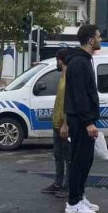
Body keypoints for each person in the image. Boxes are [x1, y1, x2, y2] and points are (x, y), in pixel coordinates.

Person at [62, 25, 102, 213]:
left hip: (83, 119)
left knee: (86, 160)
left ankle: (79, 196)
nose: (101, 39)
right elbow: (79, 95)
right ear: (91, 40)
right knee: (79, 161)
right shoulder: (79, 62)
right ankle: (73, 203)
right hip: (80, 120)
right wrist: (88, 122)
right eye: (99, 36)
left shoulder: (84, 60)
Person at [40, 49, 71, 198]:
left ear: (60, 60)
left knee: (68, 157)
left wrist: (66, 124)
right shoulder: (62, 77)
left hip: (64, 125)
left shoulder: (70, 78)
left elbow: (69, 103)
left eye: (56, 60)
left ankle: (68, 186)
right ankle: (58, 183)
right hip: (57, 124)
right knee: (58, 155)